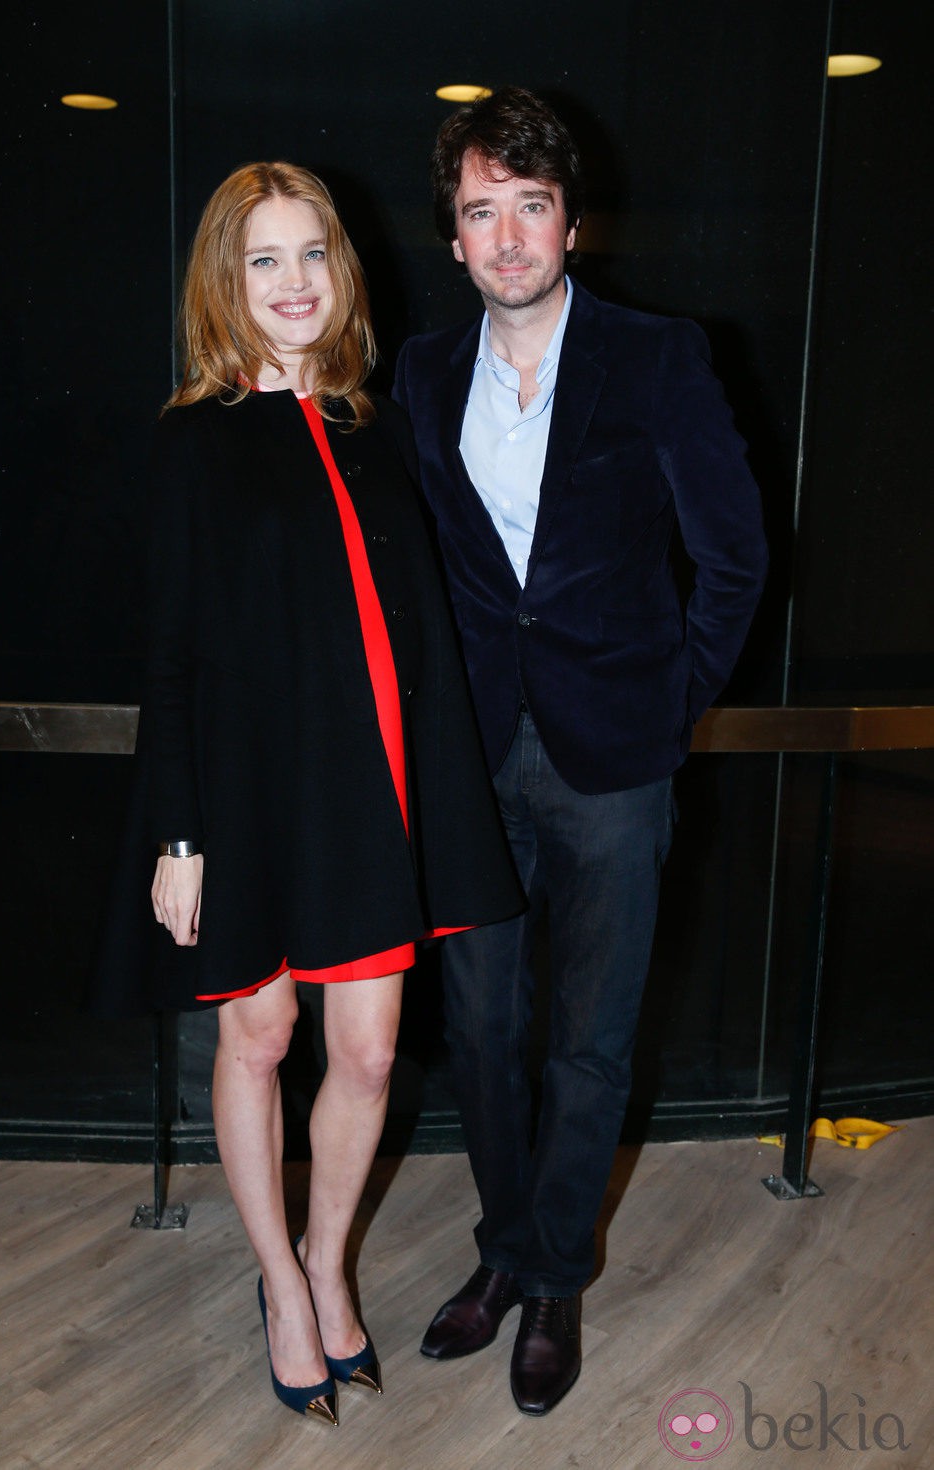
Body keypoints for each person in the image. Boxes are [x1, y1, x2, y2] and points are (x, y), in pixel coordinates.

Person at [94, 161, 522, 1426]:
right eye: (262, 260)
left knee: (369, 1050)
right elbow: (168, 652)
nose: (291, 283)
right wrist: (179, 835)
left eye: (310, 256)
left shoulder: (377, 424)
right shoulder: (193, 440)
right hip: (247, 796)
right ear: (225, 282)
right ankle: (281, 1284)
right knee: (258, 1036)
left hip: (375, 792)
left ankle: (330, 1264)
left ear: (341, 271)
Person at [393, 88, 768, 1415]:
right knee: (485, 1030)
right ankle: (505, 1249)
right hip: (474, 756)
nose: (505, 238)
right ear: (454, 238)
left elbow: (734, 557)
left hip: (616, 756)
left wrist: (671, 707)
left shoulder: (659, 356)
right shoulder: (423, 376)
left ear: (571, 221)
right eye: (479, 213)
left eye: (528, 208)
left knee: (590, 1043)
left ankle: (553, 1278)